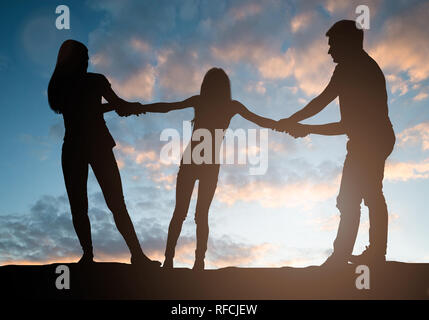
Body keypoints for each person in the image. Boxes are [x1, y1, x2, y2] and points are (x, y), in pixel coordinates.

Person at [127, 68, 277, 270]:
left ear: (206, 85)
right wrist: (284, 125)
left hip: (194, 161)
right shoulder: (229, 105)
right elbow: (259, 120)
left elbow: (168, 107)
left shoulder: (203, 101)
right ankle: (196, 262)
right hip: (206, 163)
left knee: (182, 213)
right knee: (199, 215)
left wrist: (142, 107)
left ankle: (172, 260)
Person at [276, 20, 395, 267]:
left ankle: (365, 255)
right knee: (350, 198)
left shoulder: (362, 70)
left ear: (347, 43)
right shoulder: (346, 69)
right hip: (363, 141)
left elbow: (347, 125)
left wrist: (303, 127)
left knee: (369, 194)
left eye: (333, 44)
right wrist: (292, 120)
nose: (329, 51)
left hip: (374, 140)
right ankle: (351, 255)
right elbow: (322, 101)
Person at [47, 39, 160, 268]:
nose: (87, 60)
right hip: (84, 147)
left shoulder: (71, 84)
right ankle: (96, 255)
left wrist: (124, 107)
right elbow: (94, 107)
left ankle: (131, 255)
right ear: (73, 59)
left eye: (88, 56)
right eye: (83, 56)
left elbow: (109, 105)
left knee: (110, 204)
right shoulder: (75, 84)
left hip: (86, 147)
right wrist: (125, 107)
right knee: (88, 206)